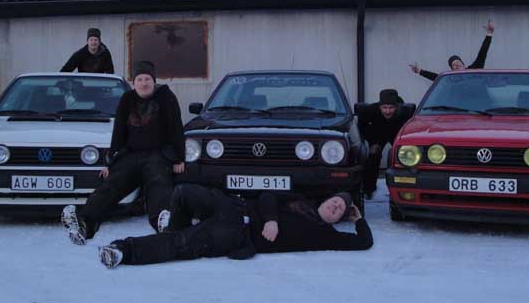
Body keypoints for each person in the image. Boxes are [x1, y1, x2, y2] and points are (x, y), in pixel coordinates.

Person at [96, 183, 373, 269]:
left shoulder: (326, 235)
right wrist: (272, 219)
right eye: (335, 201)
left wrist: (358, 219)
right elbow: (267, 196)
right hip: (232, 207)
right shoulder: (301, 200)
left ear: (339, 219)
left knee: (182, 244)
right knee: (183, 192)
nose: (334, 207)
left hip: (236, 234)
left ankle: (123, 251)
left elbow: (363, 242)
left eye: (339, 210)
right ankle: (173, 227)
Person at [61, 61, 184, 244]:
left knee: (158, 184)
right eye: (139, 79)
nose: (144, 83)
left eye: (147, 79)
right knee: (111, 184)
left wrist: (179, 158)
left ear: (154, 81)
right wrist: (110, 162)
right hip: (131, 154)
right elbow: (118, 131)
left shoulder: (166, 97)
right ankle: (84, 223)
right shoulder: (127, 99)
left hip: (158, 154)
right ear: (134, 83)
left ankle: (164, 224)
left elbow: (176, 128)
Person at [357, 89, 413, 198]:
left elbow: (411, 128)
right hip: (378, 133)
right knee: (373, 156)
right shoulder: (370, 110)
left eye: (391, 108)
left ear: (397, 107)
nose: (387, 111)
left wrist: (403, 142)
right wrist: (371, 141)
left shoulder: (405, 112)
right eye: (384, 108)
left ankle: (405, 188)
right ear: (379, 106)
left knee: (405, 157)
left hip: (397, 133)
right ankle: (368, 189)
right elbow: (361, 125)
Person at [410, 20, 495, 81]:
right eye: (454, 65)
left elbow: (482, 53)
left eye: (458, 62)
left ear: (463, 65)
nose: (457, 65)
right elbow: (436, 77)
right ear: (452, 70)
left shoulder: (473, 69)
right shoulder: (451, 80)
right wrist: (420, 71)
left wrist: (489, 34)